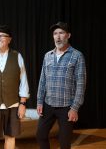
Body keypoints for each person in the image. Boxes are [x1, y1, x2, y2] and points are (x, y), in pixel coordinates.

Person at [36, 21, 87, 149]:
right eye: (55, 33)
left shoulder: (77, 56)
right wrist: (39, 101)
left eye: (61, 33)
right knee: (40, 135)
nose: (58, 36)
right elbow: (42, 80)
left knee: (64, 143)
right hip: (48, 104)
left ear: (68, 35)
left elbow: (81, 84)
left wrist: (75, 108)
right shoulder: (48, 56)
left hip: (66, 107)